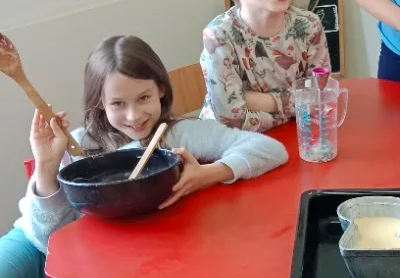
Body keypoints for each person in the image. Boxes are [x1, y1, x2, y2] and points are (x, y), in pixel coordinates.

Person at [17, 34, 288, 254]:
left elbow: (271, 149)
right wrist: (46, 165)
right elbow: (48, 240)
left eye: (143, 98)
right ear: (100, 103)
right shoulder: (76, 145)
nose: (134, 116)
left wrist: (208, 174)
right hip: (31, 246)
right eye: (118, 103)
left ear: (160, 89)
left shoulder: (178, 135)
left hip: (102, 263)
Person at [201, 0, 330, 132]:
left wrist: (254, 101)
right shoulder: (219, 37)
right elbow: (232, 120)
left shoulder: (309, 26)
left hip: (294, 137)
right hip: (231, 144)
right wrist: (294, 106)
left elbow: (319, 98)